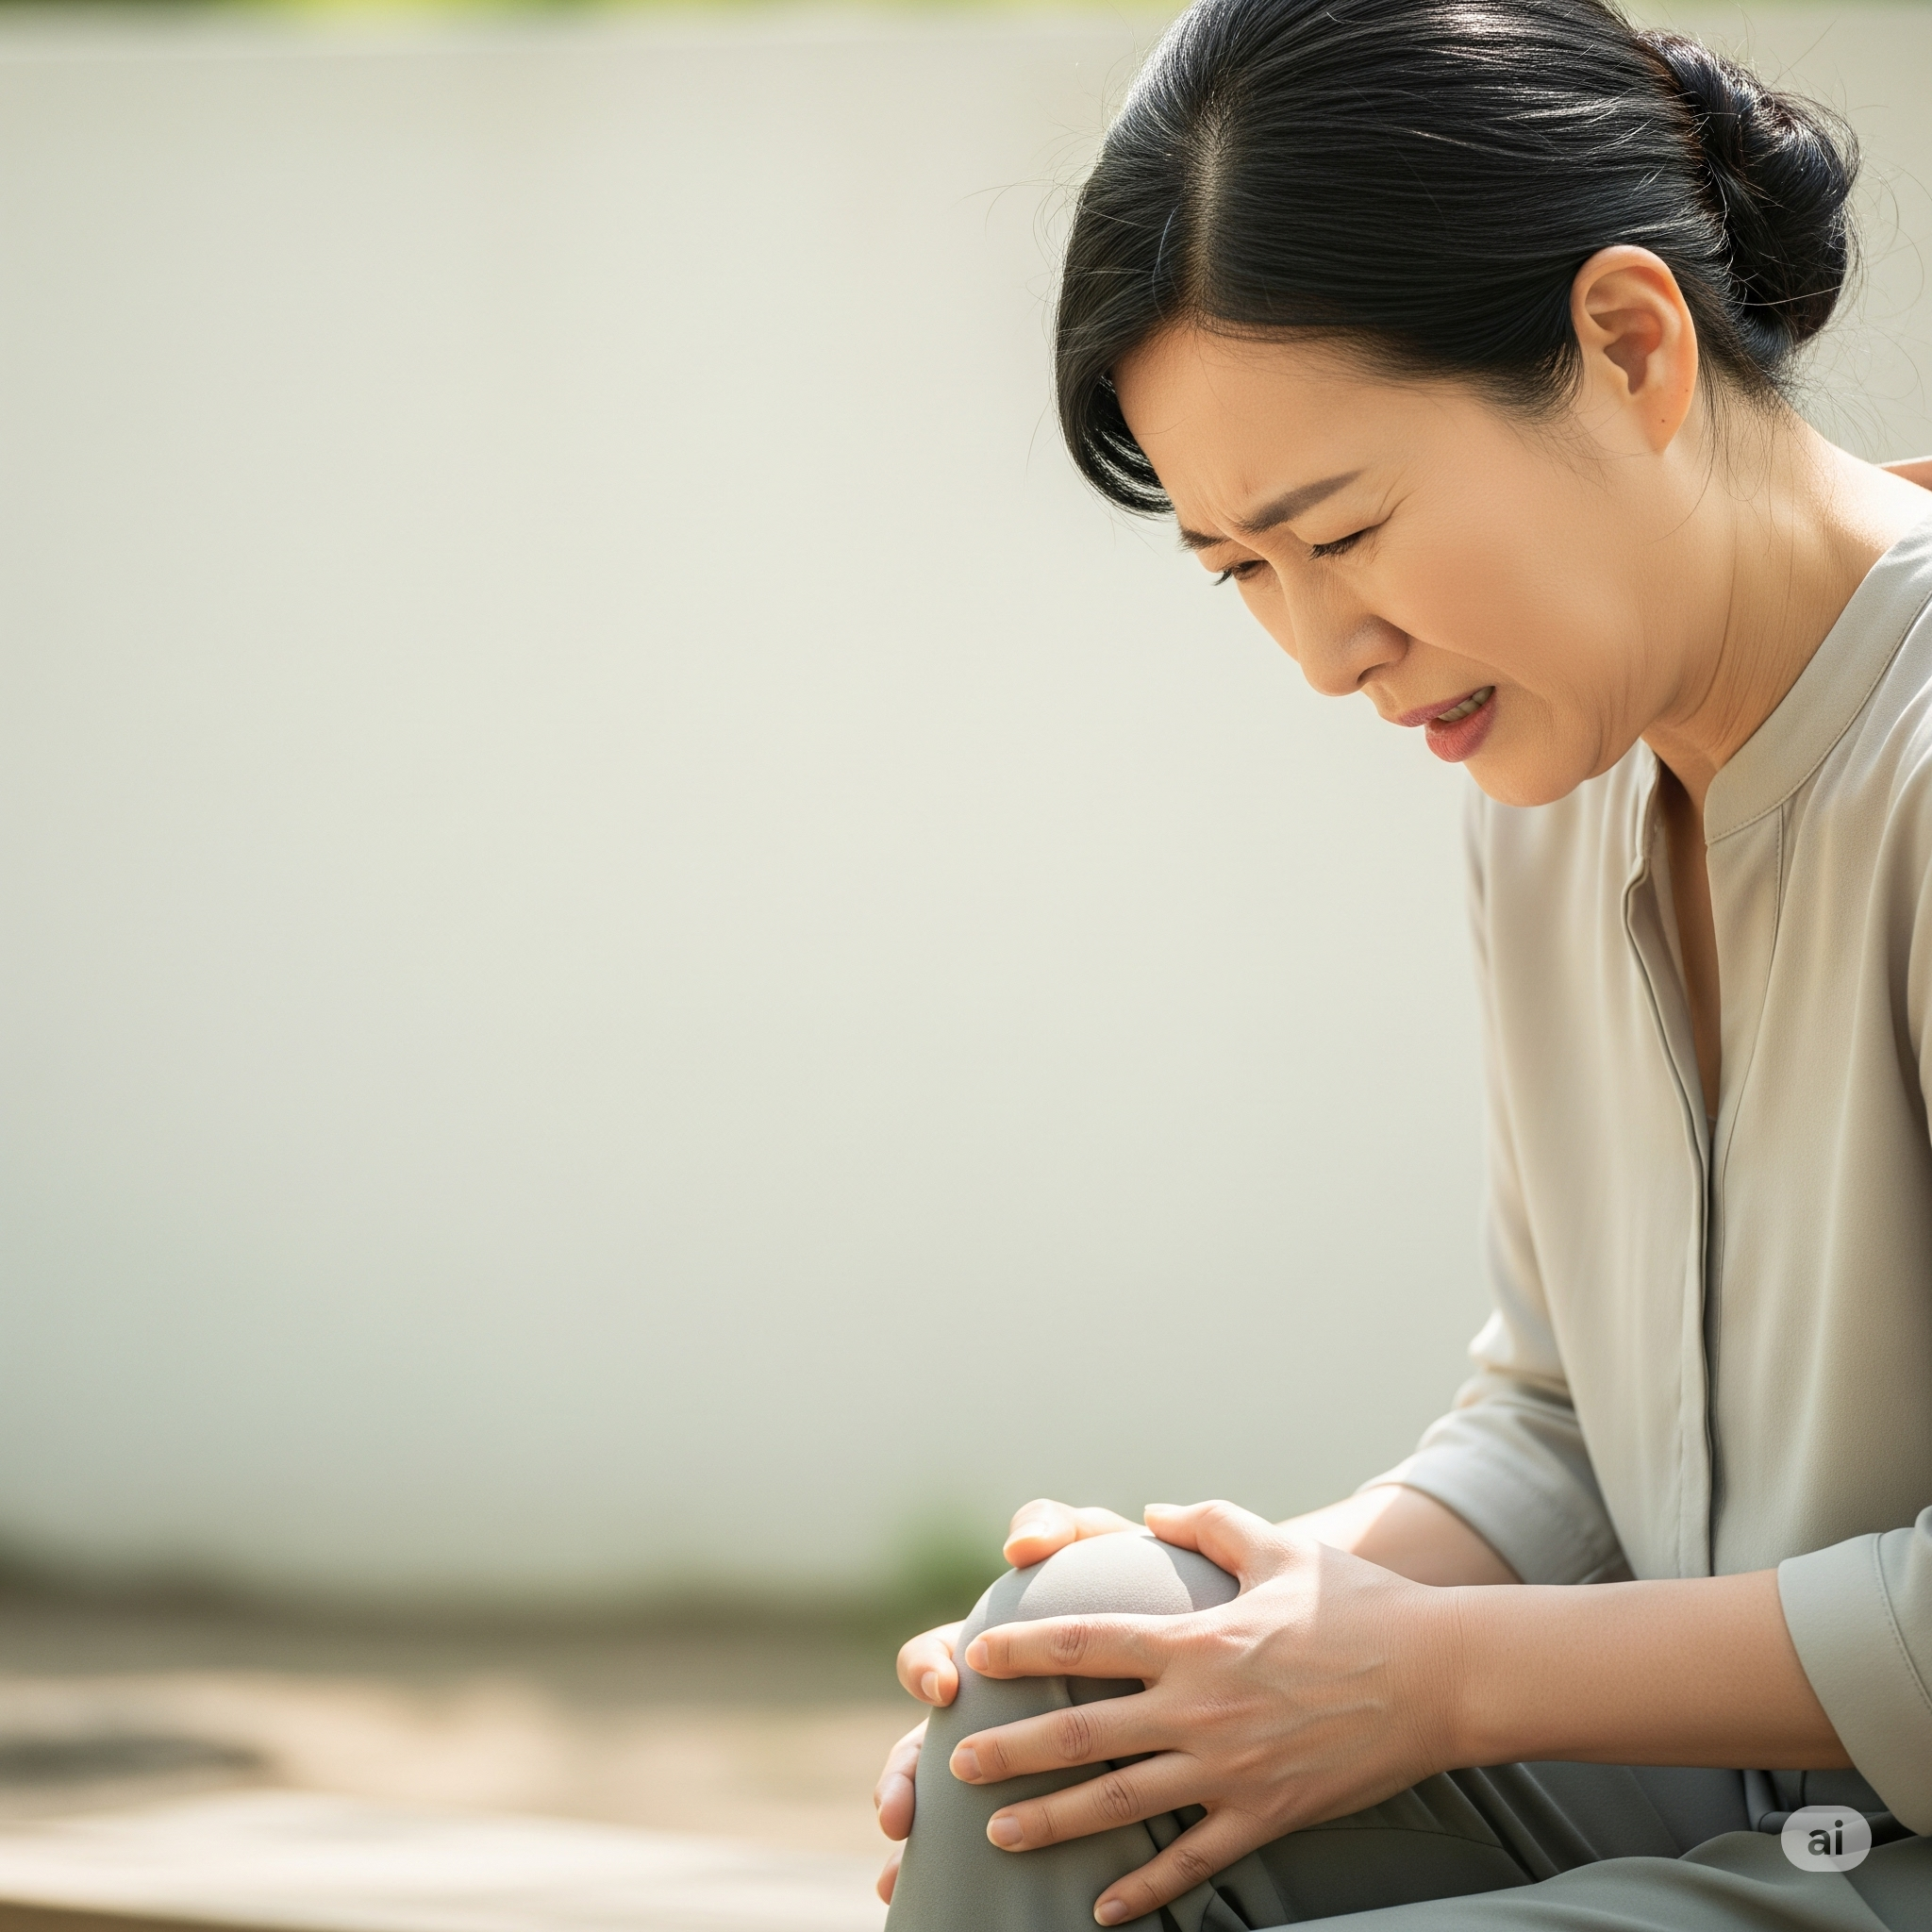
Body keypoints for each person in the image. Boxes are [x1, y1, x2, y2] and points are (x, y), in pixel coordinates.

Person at [870, 1, 1932, 1926]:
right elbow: (1556, 1424)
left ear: (1628, 349)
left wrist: (1436, 1675)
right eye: (1240, 570)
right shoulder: (1553, 775)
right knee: (1075, 1673)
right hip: (1755, 1792)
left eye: (1339, 532)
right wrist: (1262, 1632)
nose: (1315, 651)